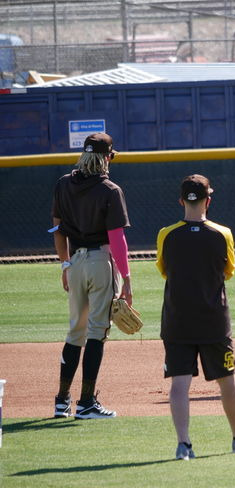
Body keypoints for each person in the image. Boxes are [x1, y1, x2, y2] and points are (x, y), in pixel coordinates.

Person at [156, 175, 235, 459]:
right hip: (213, 319)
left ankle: (184, 445)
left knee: (179, 383)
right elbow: (228, 272)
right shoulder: (222, 233)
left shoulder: (166, 233)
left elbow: (164, 270)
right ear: (208, 201)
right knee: (227, 380)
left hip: (177, 319)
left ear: (180, 201)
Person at [51, 132, 131, 419]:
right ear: (107, 157)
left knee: (75, 332)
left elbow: (57, 230)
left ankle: (62, 401)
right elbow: (117, 240)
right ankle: (86, 404)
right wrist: (128, 280)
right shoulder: (110, 189)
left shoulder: (63, 184)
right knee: (97, 332)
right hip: (100, 262)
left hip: (75, 263)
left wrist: (64, 265)